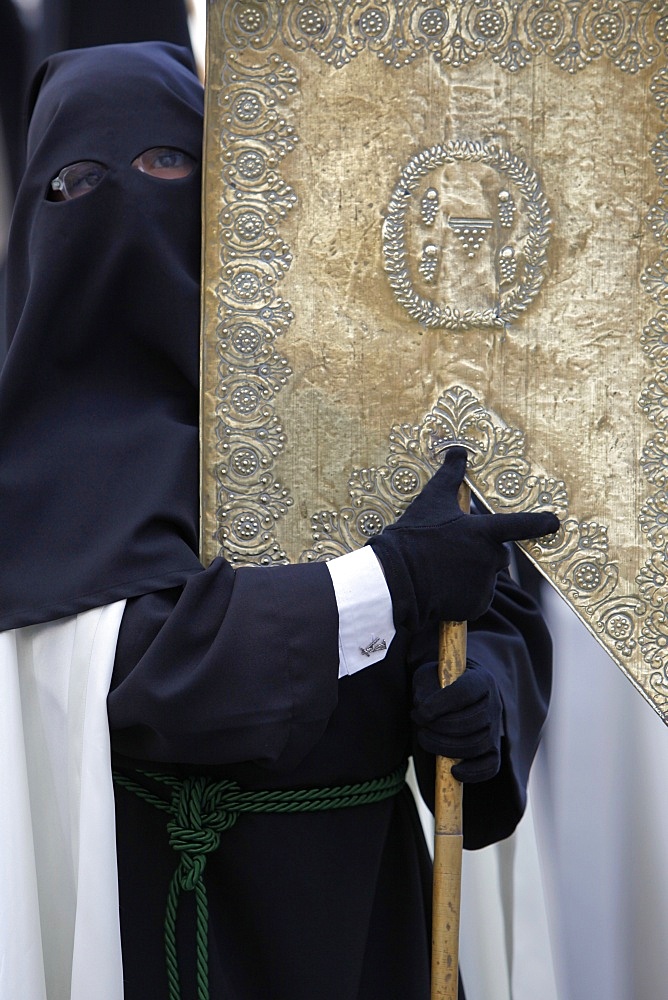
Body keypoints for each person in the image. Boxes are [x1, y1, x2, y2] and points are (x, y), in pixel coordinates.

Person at [0, 42, 559, 1000]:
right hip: (164, 929)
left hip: (373, 909)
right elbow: (146, 672)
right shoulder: (27, 465)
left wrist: (479, 704)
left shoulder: (345, 395)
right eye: (81, 180)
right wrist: (391, 584)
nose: (132, 204)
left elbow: (478, 588)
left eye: (168, 165)